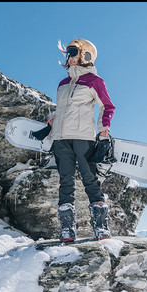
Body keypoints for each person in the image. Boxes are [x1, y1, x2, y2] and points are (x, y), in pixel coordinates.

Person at [47, 38, 116, 242]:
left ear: (85, 55)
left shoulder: (94, 81)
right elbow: (65, 109)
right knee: (65, 183)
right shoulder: (63, 84)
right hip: (61, 139)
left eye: (73, 52)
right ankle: (67, 230)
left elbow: (107, 107)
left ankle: (101, 227)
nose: (69, 57)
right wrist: (54, 118)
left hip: (83, 138)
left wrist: (103, 130)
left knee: (90, 180)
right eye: (67, 53)